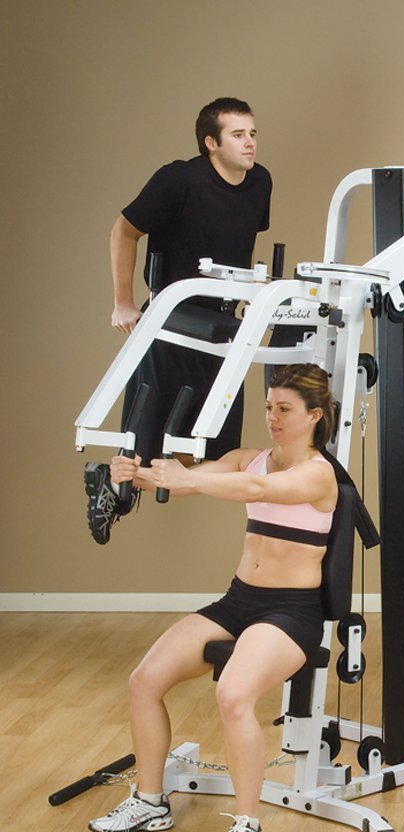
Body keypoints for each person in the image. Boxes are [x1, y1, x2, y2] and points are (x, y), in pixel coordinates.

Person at [88, 364, 338, 832]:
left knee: (233, 695)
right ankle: (150, 801)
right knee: (144, 681)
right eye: (268, 407)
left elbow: (256, 490)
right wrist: (134, 473)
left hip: (291, 612)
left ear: (314, 415)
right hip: (238, 601)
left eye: (284, 409)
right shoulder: (250, 458)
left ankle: (248, 827)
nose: (272, 417)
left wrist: (188, 478)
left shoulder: (318, 473)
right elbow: (187, 483)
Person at [85, 97, 273, 545]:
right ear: (211, 143)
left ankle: (115, 483)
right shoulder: (179, 180)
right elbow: (123, 230)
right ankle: (116, 483)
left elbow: (239, 242)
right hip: (173, 320)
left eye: (252, 133)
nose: (249, 142)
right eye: (237, 135)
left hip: (224, 326)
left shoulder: (260, 181)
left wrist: (251, 296)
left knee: (213, 453)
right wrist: (123, 302)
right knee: (146, 443)